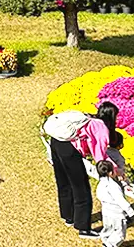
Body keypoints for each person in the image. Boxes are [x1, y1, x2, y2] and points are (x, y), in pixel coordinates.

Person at [47, 101, 118, 239]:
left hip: (56, 141)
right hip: (70, 150)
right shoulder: (101, 127)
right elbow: (100, 156)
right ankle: (83, 228)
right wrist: (113, 169)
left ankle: (68, 217)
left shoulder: (89, 119)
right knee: (81, 188)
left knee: (64, 182)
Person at [96, 159, 134, 247]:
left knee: (108, 227)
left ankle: (105, 238)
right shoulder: (113, 186)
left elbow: (99, 195)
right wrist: (130, 211)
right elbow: (120, 200)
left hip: (106, 212)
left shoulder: (100, 184)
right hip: (116, 213)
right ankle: (110, 245)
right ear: (110, 173)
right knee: (120, 232)